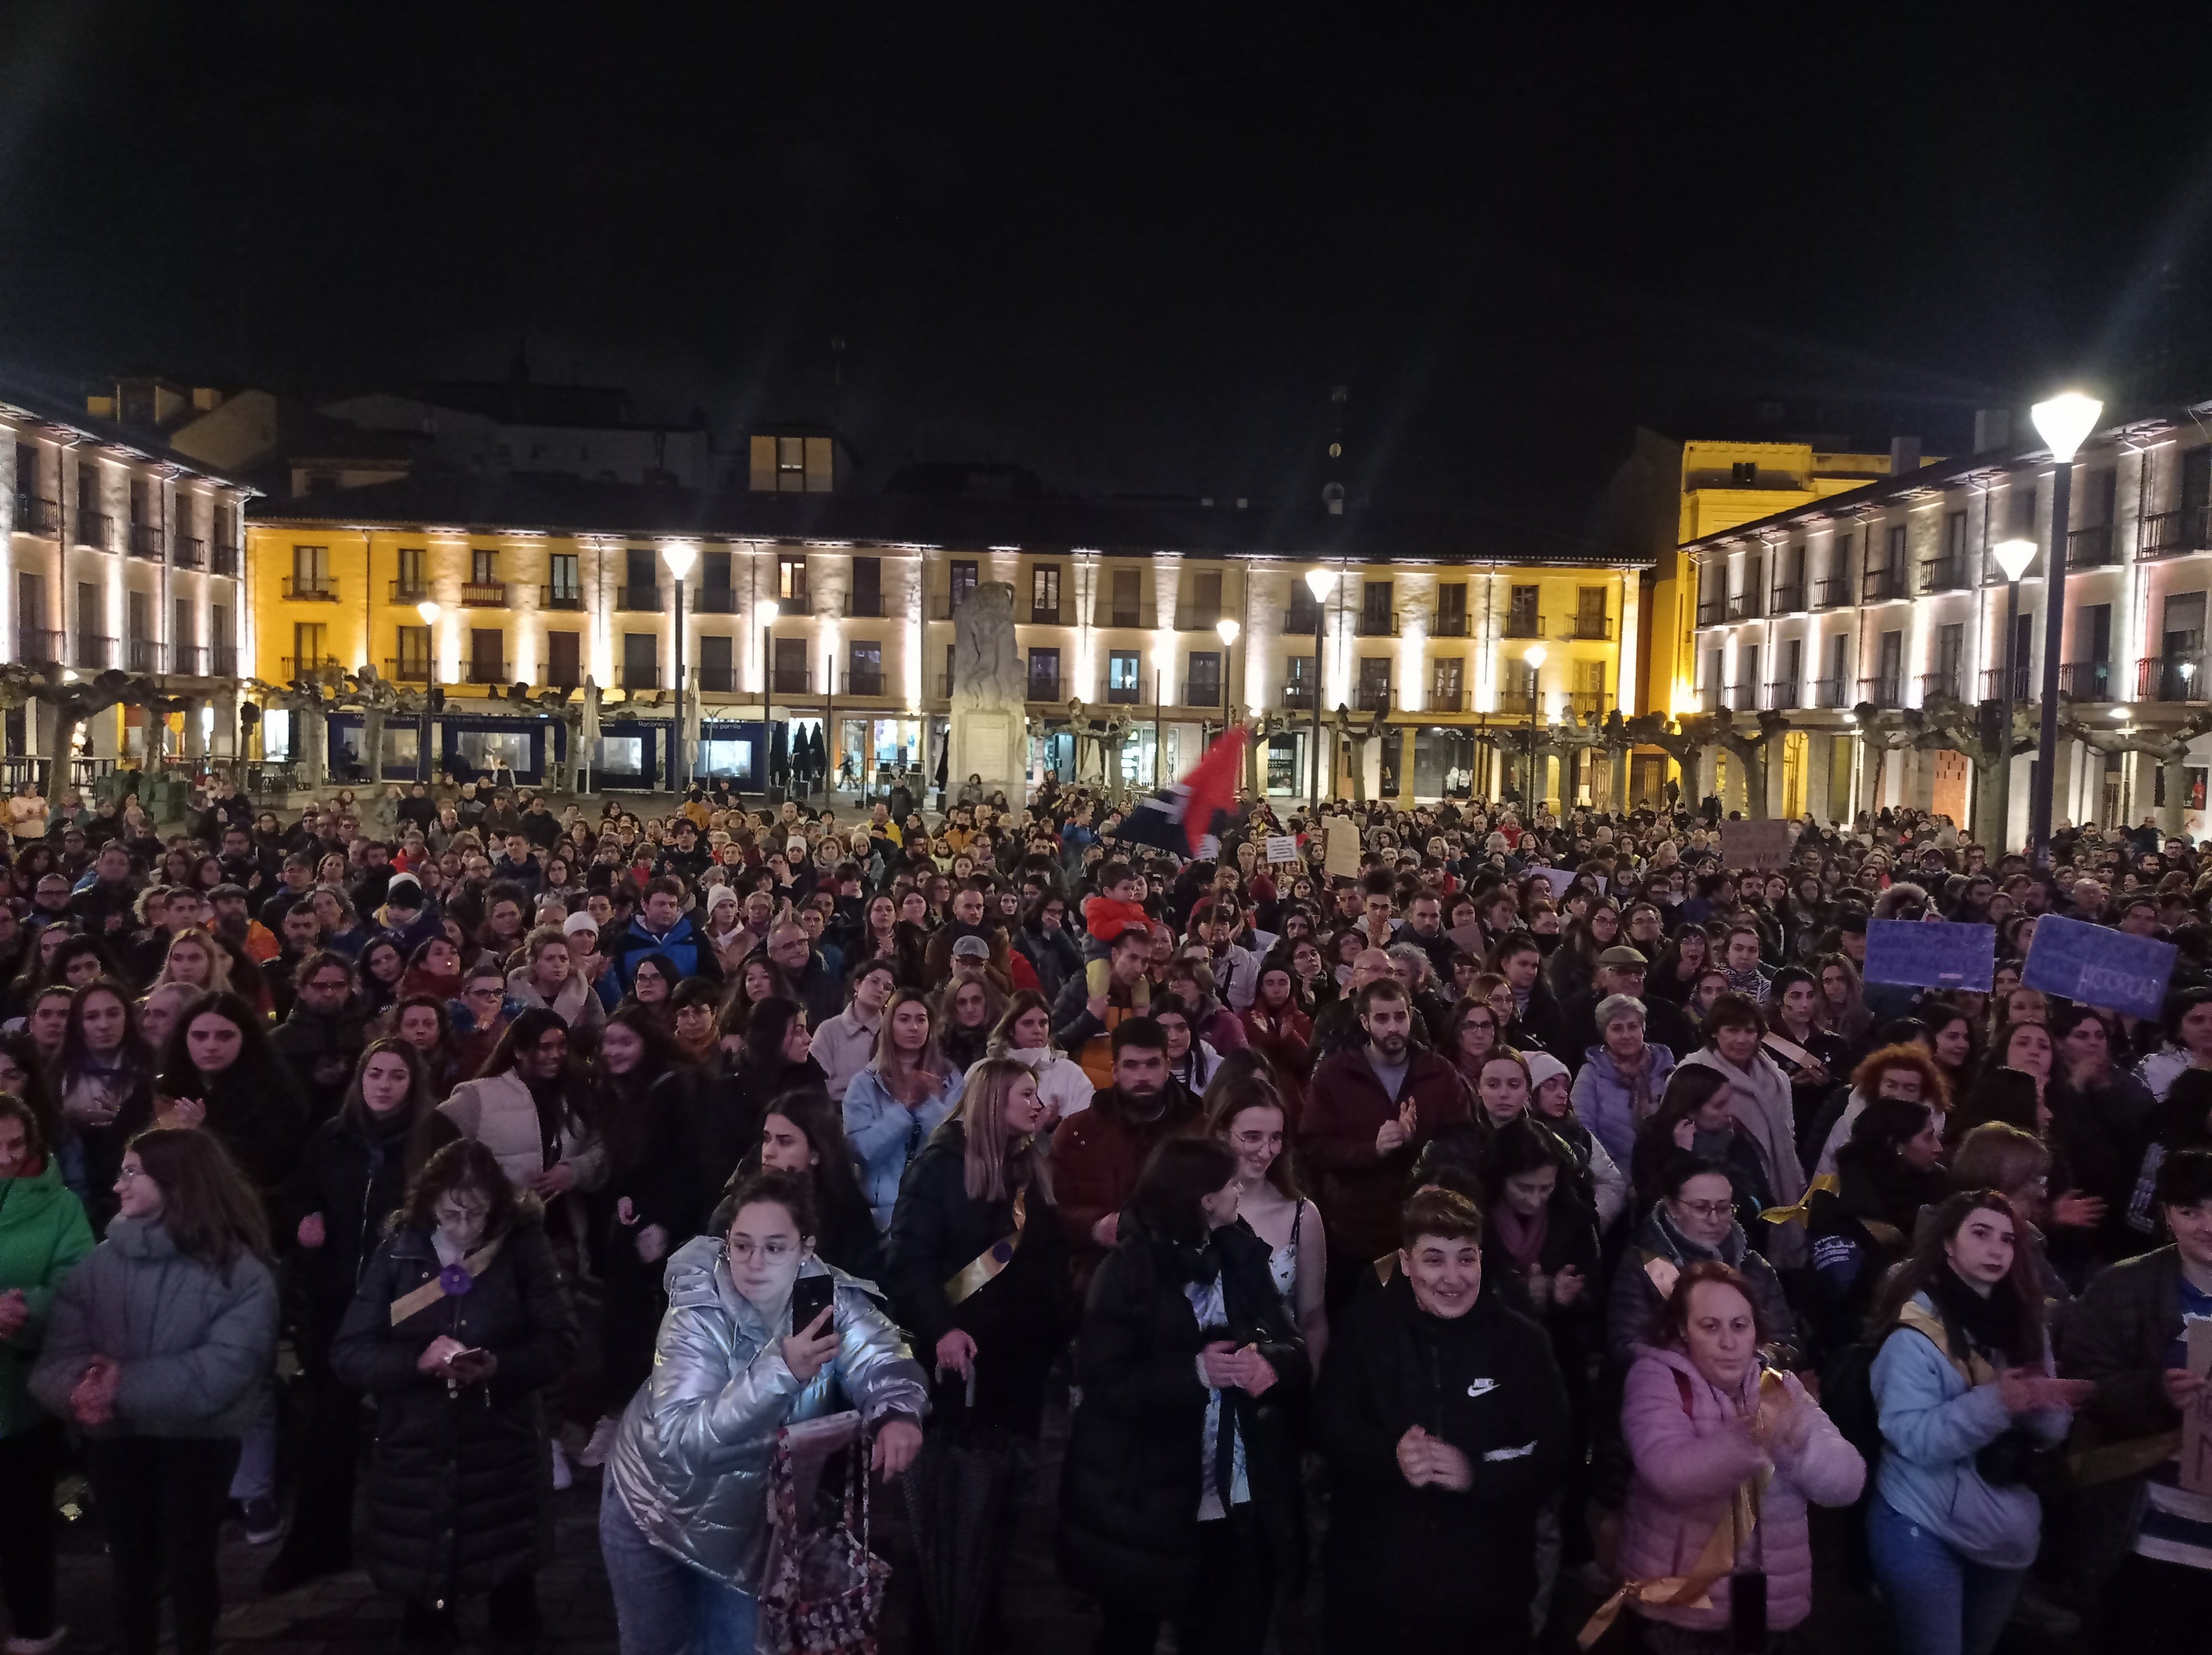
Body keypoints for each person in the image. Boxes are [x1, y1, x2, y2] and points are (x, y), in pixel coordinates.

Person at [599, 1168, 927, 1655]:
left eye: (775, 1247)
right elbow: (680, 1438)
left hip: (748, 1530)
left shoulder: (828, 1301)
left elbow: (881, 1355)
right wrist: (782, 1371)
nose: (754, 1264)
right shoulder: (697, 1308)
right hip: (654, 1507)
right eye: (742, 1245)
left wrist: (898, 1412)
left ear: (805, 1249)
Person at [29, 1128, 279, 1655]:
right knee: (129, 1568)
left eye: (131, 1172)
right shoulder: (100, 1266)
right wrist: (81, 1391)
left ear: (176, 1182)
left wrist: (120, 1383)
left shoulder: (239, 1272)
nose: (117, 1185)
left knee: (190, 1564)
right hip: (117, 1442)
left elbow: (225, 1369)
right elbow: (59, 1356)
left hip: (197, 1444)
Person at [1060, 1136, 1308, 1655]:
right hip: (1146, 1494)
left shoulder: (1240, 1254)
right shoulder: (1127, 1271)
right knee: (1131, 1632)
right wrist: (1193, 1374)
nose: (1240, 1188)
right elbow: (1103, 1383)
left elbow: (1289, 1340)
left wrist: (1272, 1362)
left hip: (1235, 1486)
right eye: (1228, 1182)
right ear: (1202, 1200)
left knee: (1228, 1628)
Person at [330, 1138, 578, 1647]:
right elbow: (350, 1350)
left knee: (514, 1608)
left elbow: (560, 1341)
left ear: (498, 1206)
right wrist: (414, 1363)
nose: (464, 1228)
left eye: (477, 1214)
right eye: (451, 1214)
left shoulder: (522, 1248)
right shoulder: (400, 1249)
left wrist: (500, 1367)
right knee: (424, 1612)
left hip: (501, 1449)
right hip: (415, 1449)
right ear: (430, 1203)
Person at [1314, 1187, 1571, 1655]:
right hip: (1375, 1590)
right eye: (1435, 1260)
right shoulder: (1364, 1330)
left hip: (1486, 1595)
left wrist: (1475, 1470)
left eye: (1465, 1259)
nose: (1453, 1278)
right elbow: (1330, 1428)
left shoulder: (1521, 1342)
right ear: (1407, 1263)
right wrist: (1389, 1457)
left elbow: (1550, 1451)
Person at [885, 1058, 1072, 1651]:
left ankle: (982, 1618)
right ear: (993, 1100)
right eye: (1025, 1092)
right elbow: (907, 1261)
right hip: (959, 1365)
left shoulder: (1028, 1165)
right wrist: (940, 1328)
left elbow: (1045, 1261)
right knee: (950, 1508)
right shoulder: (940, 1168)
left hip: (1018, 1365)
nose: (1037, 1103)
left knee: (1000, 1508)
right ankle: (939, 1627)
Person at [1864, 1189, 2091, 1655]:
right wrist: (1997, 1404)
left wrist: (2046, 1405)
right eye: (1981, 1234)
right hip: (1922, 1519)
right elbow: (1912, 1436)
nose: (1996, 1250)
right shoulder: (1915, 1332)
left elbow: (2048, 1436)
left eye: (2008, 1240)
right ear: (1948, 1244)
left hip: (2004, 1534)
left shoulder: (2027, 1324)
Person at [1613, 1261, 1866, 1651]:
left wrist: (1800, 1442)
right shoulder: (1656, 1377)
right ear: (1683, 1329)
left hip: (1771, 1606)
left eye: (1740, 1325)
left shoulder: (1780, 1387)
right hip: (1683, 1608)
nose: (1729, 1342)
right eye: (1710, 1326)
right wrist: (1755, 1437)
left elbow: (1848, 1483)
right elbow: (1668, 1475)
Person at [265, 1039, 438, 1591]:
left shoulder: (436, 1141)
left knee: (413, 1427)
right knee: (328, 1427)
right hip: (337, 1300)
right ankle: (318, 1541)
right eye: (376, 1074)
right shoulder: (331, 1138)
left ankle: (419, 1547)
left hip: (412, 1303)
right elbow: (296, 1193)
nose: (384, 1085)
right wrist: (303, 1219)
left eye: (397, 1076)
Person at [2057, 1146, 2212, 1642]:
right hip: (2147, 1526)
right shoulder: (2123, 1288)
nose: (2209, 1225)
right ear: (2167, 1214)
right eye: (2192, 1211)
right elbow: (2083, 1386)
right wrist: (2155, 1392)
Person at [1300, 978, 1473, 1307]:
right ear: (1364, 1021)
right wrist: (1372, 1150)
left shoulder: (1439, 1072)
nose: (1393, 1027)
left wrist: (1417, 1147)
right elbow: (1313, 1147)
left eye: (1400, 1017)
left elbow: (1463, 1142)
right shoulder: (1335, 1074)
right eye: (1382, 1019)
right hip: (1354, 1232)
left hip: (1424, 1228)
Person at [0, 1095, 95, 1655]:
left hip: (22, 1390)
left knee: (25, 1521)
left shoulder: (60, 1206)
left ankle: (33, 1626)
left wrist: (26, 1309)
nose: (6, 1159)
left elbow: (76, 1281)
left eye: (16, 1145)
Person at [1050, 1017, 1202, 1294]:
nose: (1142, 1077)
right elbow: (1053, 1208)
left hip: (1182, 1280)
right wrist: (1096, 1226)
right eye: (1131, 1065)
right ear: (1115, 1071)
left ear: (1168, 1067)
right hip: (1097, 1279)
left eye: (1152, 1064)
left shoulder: (1199, 1132)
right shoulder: (1078, 1132)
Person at [1610, 1152, 1799, 1371]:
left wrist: (1755, 1359)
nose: (1714, 1219)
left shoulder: (1755, 1267)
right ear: (1672, 1207)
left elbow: (1789, 1345)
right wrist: (1698, 1363)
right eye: (1700, 1208)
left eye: (1724, 1208)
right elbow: (1625, 1345)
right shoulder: (1642, 1265)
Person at [1210, 1073, 1329, 1367]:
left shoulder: (1303, 1216)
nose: (1266, 1151)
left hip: (1275, 1385)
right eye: (1252, 1137)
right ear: (1221, 1133)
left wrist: (1311, 1392)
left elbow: (1312, 1320)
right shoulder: (1190, 1205)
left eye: (1275, 1138)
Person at [843, 988, 966, 1229]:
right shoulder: (864, 1083)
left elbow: (957, 1142)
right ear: (890, 1025)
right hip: (883, 1211)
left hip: (938, 1204)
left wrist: (928, 1104)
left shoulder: (950, 1078)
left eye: (921, 1019)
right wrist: (904, 1109)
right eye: (904, 1019)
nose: (914, 1027)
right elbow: (863, 1152)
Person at [985, 989, 1095, 1125]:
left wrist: (1056, 1125)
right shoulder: (987, 1072)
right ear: (1010, 1029)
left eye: (1043, 1023)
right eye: (1028, 1023)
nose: (1038, 1030)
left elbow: (1089, 1125)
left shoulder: (1070, 1073)